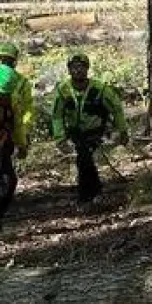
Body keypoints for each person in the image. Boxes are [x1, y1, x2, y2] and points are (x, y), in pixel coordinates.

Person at [50, 53, 128, 204]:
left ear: (87, 69)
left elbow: (116, 109)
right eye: (74, 67)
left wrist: (123, 131)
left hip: (94, 132)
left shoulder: (100, 89)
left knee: (84, 159)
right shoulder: (63, 89)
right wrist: (60, 138)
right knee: (84, 160)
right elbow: (57, 116)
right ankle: (94, 193)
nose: (78, 70)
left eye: (81, 67)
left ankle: (86, 195)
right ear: (69, 70)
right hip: (75, 133)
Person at [0, 41, 33, 161]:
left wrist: (23, 136)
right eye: (2, 60)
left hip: (8, 132)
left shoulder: (22, 83)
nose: (4, 64)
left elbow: (25, 112)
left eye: (8, 61)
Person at [0, 64, 22, 224]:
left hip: (3, 147)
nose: (5, 97)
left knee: (10, 181)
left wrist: (21, 144)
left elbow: (17, 123)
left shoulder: (11, 102)